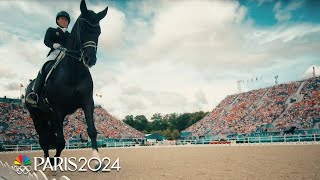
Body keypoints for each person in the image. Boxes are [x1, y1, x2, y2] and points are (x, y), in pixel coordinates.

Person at [26, 11, 71, 106]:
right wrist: (53, 45)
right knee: (44, 67)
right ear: (57, 21)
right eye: (62, 19)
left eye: (66, 20)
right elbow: (46, 41)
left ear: (68, 23)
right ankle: (35, 94)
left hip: (67, 56)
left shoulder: (70, 35)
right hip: (55, 53)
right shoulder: (51, 30)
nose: (64, 21)